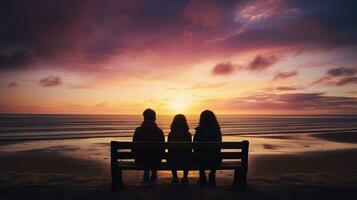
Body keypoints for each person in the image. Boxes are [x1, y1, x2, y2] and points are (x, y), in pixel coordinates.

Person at [132, 108, 165, 183]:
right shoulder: (159, 131)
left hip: (140, 160)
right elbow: (162, 149)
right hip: (155, 160)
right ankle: (153, 172)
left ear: (144, 118)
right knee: (154, 155)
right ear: (155, 118)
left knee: (146, 155)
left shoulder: (138, 130)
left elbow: (133, 147)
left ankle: (146, 171)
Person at [193, 110, 222, 185]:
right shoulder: (217, 130)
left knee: (199, 154)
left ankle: (202, 176)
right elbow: (219, 145)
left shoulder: (199, 131)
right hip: (214, 160)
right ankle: (212, 175)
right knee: (215, 153)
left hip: (201, 160)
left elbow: (194, 146)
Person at [167, 114, 192, 184]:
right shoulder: (188, 135)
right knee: (187, 155)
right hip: (185, 160)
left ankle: (175, 177)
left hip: (173, 160)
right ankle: (185, 177)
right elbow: (189, 149)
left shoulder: (171, 134)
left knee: (172, 155)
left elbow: (169, 149)